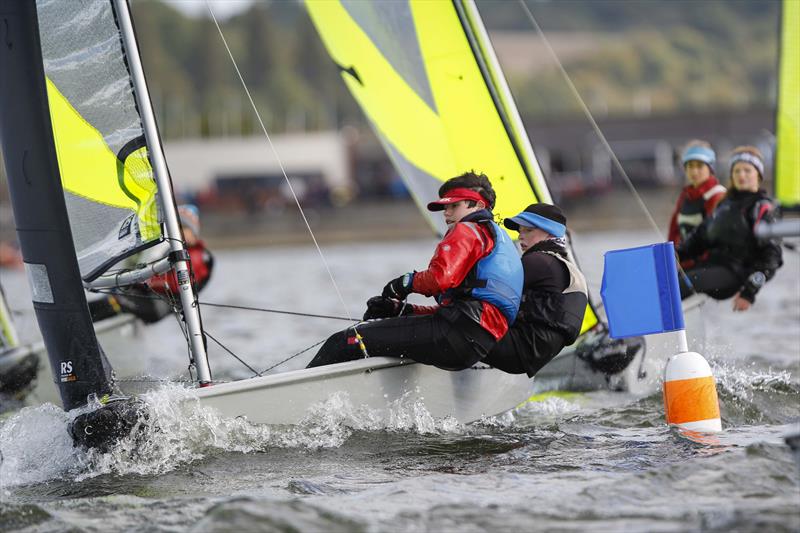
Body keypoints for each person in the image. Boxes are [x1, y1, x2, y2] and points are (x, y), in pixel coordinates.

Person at [306, 171, 523, 370]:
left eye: (453, 206)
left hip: (455, 336)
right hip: (474, 345)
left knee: (344, 341)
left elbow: (441, 278)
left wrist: (404, 283)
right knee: (381, 337)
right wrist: (404, 310)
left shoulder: (466, 230)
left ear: (476, 204)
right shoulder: (498, 239)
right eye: (444, 207)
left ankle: (292, 403)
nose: (446, 213)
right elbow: (463, 309)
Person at [481, 204, 588, 377]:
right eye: (520, 231)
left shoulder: (538, 262)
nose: (520, 236)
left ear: (550, 233)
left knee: (458, 322)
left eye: (528, 230)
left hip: (521, 349)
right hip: (533, 354)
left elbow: (490, 287)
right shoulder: (559, 262)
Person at [677, 146, 783, 311]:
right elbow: (699, 237)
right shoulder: (724, 205)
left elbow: (772, 258)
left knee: (682, 284)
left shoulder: (763, 208)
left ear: (758, 175)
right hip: (710, 264)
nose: (741, 175)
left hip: (734, 274)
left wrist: (749, 293)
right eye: (737, 171)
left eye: (747, 170)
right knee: (666, 280)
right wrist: (676, 254)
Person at [88, 204, 214, 323]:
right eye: (176, 227)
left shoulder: (196, 256)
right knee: (112, 297)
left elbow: (177, 285)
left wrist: (143, 280)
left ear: (194, 233)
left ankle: (77, 325)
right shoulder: (174, 250)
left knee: (111, 302)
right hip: (149, 299)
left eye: (183, 228)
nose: (178, 231)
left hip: (157, 306)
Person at [667, 141, 726, 261]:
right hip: (685, 261)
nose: (694, 171)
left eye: (699, 166)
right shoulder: (685, 196)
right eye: (690, 166)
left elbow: (714, 237)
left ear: (710, 168)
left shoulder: (718, 195)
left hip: (708, 263)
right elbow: (674, 232)